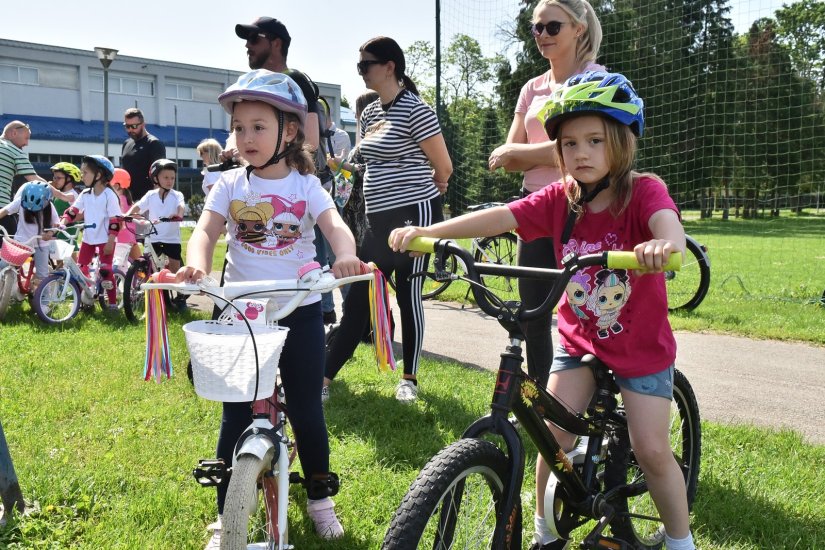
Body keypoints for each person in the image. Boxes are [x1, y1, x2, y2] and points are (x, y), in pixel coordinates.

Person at [391, 71, 695, 550]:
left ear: (622, 142)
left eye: (595, 140)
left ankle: (680, 539)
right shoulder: (562, 198)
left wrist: (663, 246)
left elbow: (668, 228)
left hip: (640, 348)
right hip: (580, 341)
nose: (581, 153)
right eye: (569, 143)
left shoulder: (644, 192)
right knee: (551, 439)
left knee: (651, 449)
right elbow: (504, 216)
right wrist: (434, 231)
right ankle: (544, 534)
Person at [174, 70, 361, 548]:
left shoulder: (306, 186)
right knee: (234, 414)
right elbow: (205, 233)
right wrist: (196, 265)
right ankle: (224, 514)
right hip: (240, 312)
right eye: (239, 128)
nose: (246, 137)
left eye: (259, 126)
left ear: (290, 131)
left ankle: (320, 499)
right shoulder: (228, 185)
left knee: (305, 409)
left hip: (298, 308)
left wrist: (342, 253)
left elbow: (335, 224)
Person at [323, 36, 452, 403]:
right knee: (361, 298)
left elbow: (443, 167)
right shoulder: (369, 113)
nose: (361, 71)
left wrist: (433, 185)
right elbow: (366, 164)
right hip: (375, 219)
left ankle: (409, 379)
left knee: (409, 296)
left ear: (389, 67)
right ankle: (324, 380)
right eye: (359, 66)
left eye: (366, 65)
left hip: (415, 215)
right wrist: (342, 167)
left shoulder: (416, 110)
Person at [488, 0, 604, 392]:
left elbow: (584, 153)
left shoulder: (596, 79)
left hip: (585, 207)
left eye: (552, 27)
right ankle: (543, 399)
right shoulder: (531, 88)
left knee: (591, 314)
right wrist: (556, 150)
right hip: (537, 209)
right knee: (532, 315)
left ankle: (595, 404)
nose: (541, 36)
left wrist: (544, 151)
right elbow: (508, 158)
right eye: (536, 28)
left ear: (578, 29)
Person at [60, 155, 123, 309]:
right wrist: (63, 222)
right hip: (88, 239)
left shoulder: (110, 196)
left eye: (85, 172)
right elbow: (73, 210)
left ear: (99, 175)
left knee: (106, 271)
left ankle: (113, 303)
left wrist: (110, 241)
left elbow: (116, 221)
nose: (82, 176)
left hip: (106, 239)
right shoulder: (85, 194)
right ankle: (86, 299)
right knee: (81, 269)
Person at [125, 159, 185, 281]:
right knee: (150, 266)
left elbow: (181, 206)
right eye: (166, 177)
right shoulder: (150, 195)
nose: (170, 181)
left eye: (172, 178)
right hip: (154, 237)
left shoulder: (177, 195)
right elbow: (138, 206)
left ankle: (180, 295)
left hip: (171, 239)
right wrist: (127, 214)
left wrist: (178, 215)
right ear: (156, 178)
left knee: (175, 270)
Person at [0, 182, 57, 287]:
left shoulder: (50, 207)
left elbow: (56, 224)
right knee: (4, 264)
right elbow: (4, 210)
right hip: (22, 241)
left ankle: (44, 300)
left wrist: (50, 233)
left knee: (42, 275)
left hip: (41, 243)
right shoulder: (21, 201)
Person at [0, 121, 44, 238]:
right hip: (1, 207)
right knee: (12, 247)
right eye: (26, 138)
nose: (26, 143)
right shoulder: (15, 151)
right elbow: (34, 179)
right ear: (14, 133)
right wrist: (62, 195)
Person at [120, 108, 166, 201]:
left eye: (134, 126)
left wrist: (151, 201)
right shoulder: (126, 143)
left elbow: (161, 176)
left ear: (143, 124)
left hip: (146, 201)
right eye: (127, 126)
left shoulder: (154, 144)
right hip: (128, 201)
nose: (130, 130)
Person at [110, 168, 142, 264]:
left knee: (118, 266)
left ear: (116, 185)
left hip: (121, 238)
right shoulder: (127, 199)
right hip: (130, 237)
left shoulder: (118, 200)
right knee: (140, 265)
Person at [48, 162, 82, 253]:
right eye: (54, 177)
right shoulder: (57, 194)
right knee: (58, 257)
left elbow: (63, 197)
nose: (55, 180)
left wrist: (49, 187)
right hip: (57, 230)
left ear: (69, 179)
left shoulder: (72, 194)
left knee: (70, 257)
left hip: (69, 231)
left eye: (58, 178)